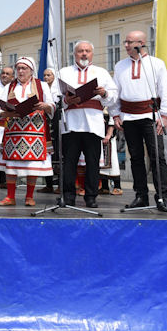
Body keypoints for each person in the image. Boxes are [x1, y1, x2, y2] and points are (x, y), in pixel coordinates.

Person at [109, 30, 167, 210]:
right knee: (136, 157)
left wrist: (165, 115)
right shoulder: (120, 66)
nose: (126, 45)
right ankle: (141, 195)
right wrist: (115, 114)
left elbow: (165, 90)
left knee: (157, 156)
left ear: (140, 44)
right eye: (125, 42)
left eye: (129, 42)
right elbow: (115, 93)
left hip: (150, 116)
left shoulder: (156, 64)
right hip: (129, 117)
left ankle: (162, 197)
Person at [57, 40, 118, 208]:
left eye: (87, 51)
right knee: (69, 162)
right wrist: (66, 100)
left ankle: (91, 197)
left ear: (92, 54)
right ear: (74, 54)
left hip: (93, 123)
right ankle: (68, 196)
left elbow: (113, 97)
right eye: (80, 51)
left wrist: (104, 93)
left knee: (92, 163)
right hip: (71, 123)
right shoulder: (64, 72)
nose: (84, 54)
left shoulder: (102, 72)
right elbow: (54, 96)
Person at [0, 56, 55, 206]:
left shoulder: (42, 85)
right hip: (14, 131)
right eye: (18, 68)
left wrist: (45, 106)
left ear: (31, 70)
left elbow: (51, 105)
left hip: (34, 130)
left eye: (24, 68)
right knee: (11, 165)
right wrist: (5, 112)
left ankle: (29, 197)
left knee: (33, 165)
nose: (20, 71)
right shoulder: (9, 87)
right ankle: (10, 197)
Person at [40, 68, 62, 194]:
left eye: (49, 75)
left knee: (58, 153)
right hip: (45, 123)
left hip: (56, 124)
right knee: (46, 154)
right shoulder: (42, 88)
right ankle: (48, 184)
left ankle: (60, 184)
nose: (46, 77)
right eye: (44, 75)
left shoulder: (58, 90)